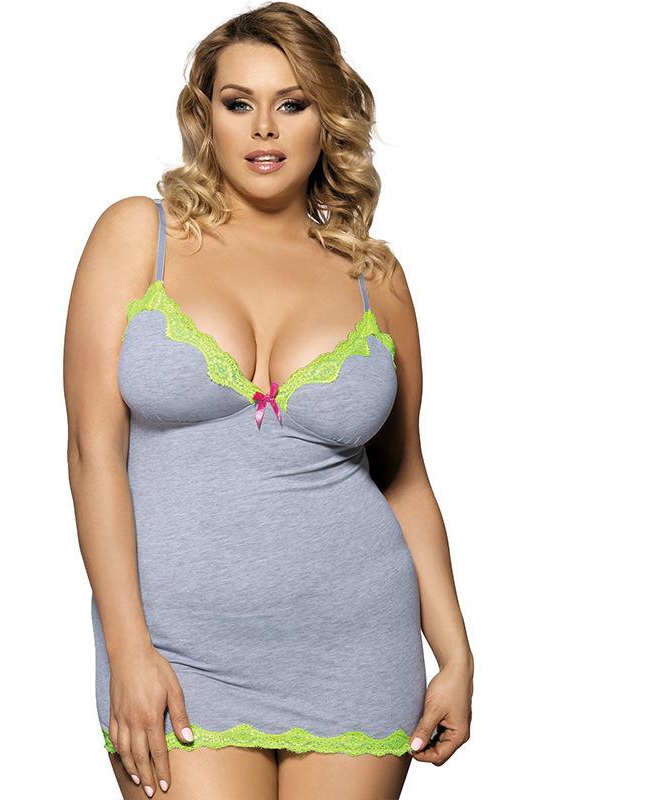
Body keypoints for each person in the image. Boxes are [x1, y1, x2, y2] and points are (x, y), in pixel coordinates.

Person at [64, 3, 473, 798]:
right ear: (205, 115)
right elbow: (92, 452)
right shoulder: (138, 236)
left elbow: (405, 479)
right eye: (238, 102)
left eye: (292, 103)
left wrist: (455, 654)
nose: (263, 129)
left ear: (328, 119)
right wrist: (127, 649)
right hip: (180, 652)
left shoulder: (374, 276)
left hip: (357, 648)